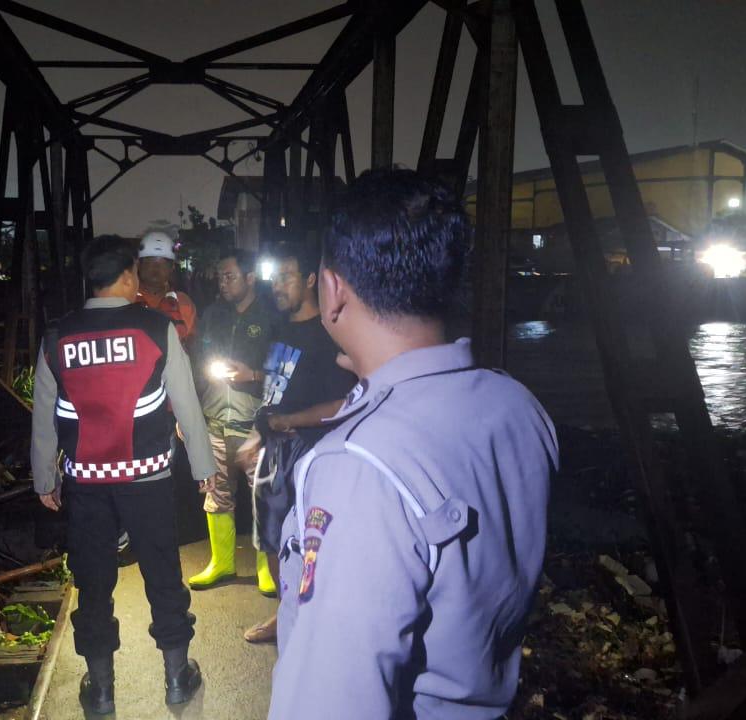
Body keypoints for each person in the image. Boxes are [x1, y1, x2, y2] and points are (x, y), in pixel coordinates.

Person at [268, 169, 558, 720]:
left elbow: (335, 700)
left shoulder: (353, 466)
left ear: (331, 291)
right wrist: (375, 387)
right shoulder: (518, 406)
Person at [30, 235, 219, 715]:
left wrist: (44, 479)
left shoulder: (58, 335)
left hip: (86, 484)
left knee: (93, 582)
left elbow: (45, 416)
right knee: (162, 574)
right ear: (129, 276)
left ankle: (101, 689)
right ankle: (177, 677)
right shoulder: (156, 328)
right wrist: (203, 467)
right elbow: (186, 405)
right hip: (148, 480)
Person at [228, 241, 355, 644]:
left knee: (314, 541)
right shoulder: (279, 329)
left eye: (287, 277)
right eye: (275, 278)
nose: (278, 286)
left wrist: (289, 421)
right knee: (271, 536)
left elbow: (347, 400)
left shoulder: (330, 335)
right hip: (273, 449)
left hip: (310, 450)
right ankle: (285, 614)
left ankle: (321, 619)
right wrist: (256, 435)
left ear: (311, 280)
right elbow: (273, 392)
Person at [187, 249, 281, 589]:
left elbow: (286, 370)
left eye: (230, 276)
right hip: (214, 420)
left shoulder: (272, 318)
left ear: (250, 278)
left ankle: (267, 568)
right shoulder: (212, 315)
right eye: (220, 276)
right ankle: (222, 562)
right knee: (216, 494)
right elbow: (197, 365)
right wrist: (191, 414)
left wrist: (253, 375)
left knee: (264, 495)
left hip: (254, 426)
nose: (222, 283)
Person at [135, 231, 198, 343]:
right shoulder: (126, 300)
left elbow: (193, 344)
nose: (155, 269)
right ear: (139, 265)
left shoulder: (184, 303)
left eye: (162, 264)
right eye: (150, 262)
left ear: (172, 267)